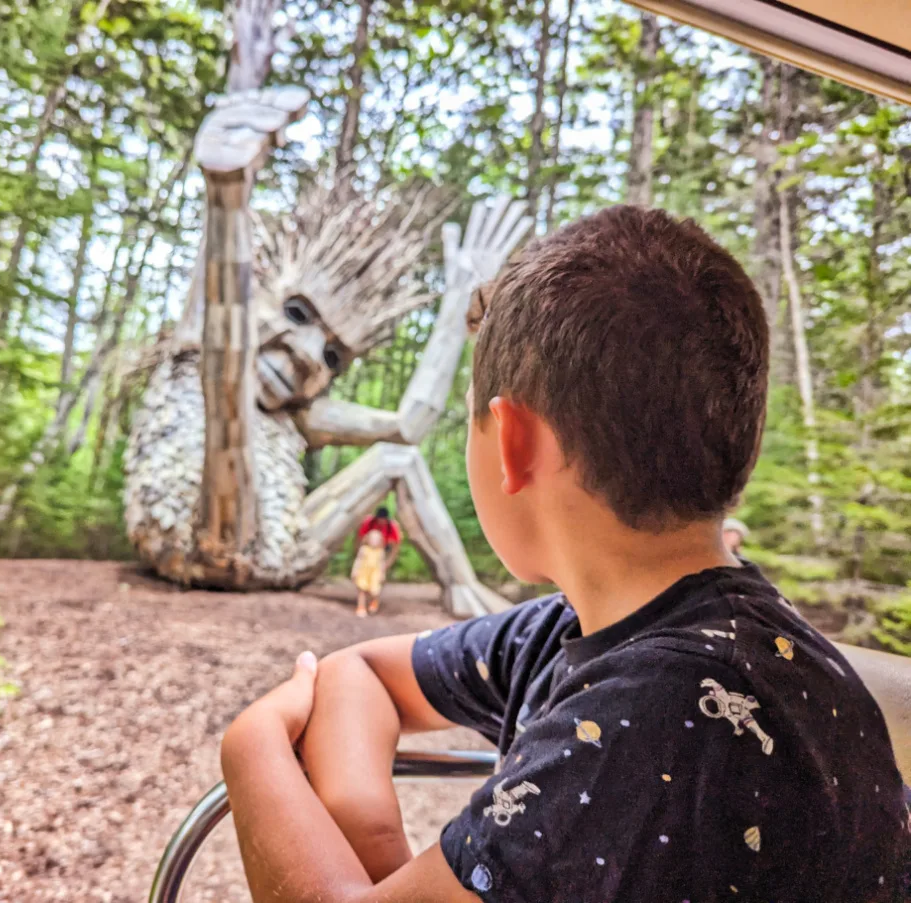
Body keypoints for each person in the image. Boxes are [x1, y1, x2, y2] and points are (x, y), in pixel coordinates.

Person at [219, 206, 909, 903]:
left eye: (471, 422)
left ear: (513, 442)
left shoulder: (656, 717)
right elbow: (358, 671)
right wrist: (373, 838)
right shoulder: (577, 628)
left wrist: (251, 749)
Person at [351, 529, 387, 618]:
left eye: (376, 540)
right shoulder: (363, 549)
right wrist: (355, 570)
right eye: (372, 539)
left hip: (375, 575)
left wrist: (382, 573)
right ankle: (361, 607)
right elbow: (358, 561)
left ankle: (374, 602)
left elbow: (382, 563)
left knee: (374, 591)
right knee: (362, 591)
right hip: (363, 573)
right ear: (368, 539)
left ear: (380, 541)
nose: (374, 542)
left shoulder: (380, 551)